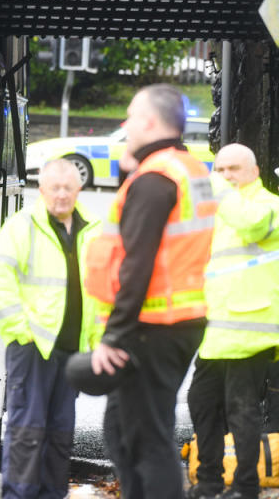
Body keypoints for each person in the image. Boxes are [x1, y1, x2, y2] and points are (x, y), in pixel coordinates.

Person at [86, 83, 218, 499]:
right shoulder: (188, 168)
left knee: (147, 439)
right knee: (123, 431)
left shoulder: (157, 178)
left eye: (130, 115)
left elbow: (136, 262)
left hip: (152, 326)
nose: (125, 123)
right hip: (176, 321)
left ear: (147, 121)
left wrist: (115, 335)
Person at [0, 157, 101, 499]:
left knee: (61, 432)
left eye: (68, 188)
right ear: (42, 189)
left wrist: (98, 341)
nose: (62, 195)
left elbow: (102, 290)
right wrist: (22, 331)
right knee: (27, 429)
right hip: (32, 345)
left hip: (73, 350)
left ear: (79, 189)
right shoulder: (22, 227)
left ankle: (53, 494)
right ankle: (18, 495)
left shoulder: (93, 229)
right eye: (55, 188)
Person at [186, 144, 279, 499]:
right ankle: (208, 480)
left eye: (233, 169)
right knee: (202, 403)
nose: (225, 177)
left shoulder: (268, 206)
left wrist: (218, 190)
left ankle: (246, 486)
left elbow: (252, 225)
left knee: (241, 412)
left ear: (254, 171)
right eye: (220, 169)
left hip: (250, 331)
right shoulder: (222, 211)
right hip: (217, 330)